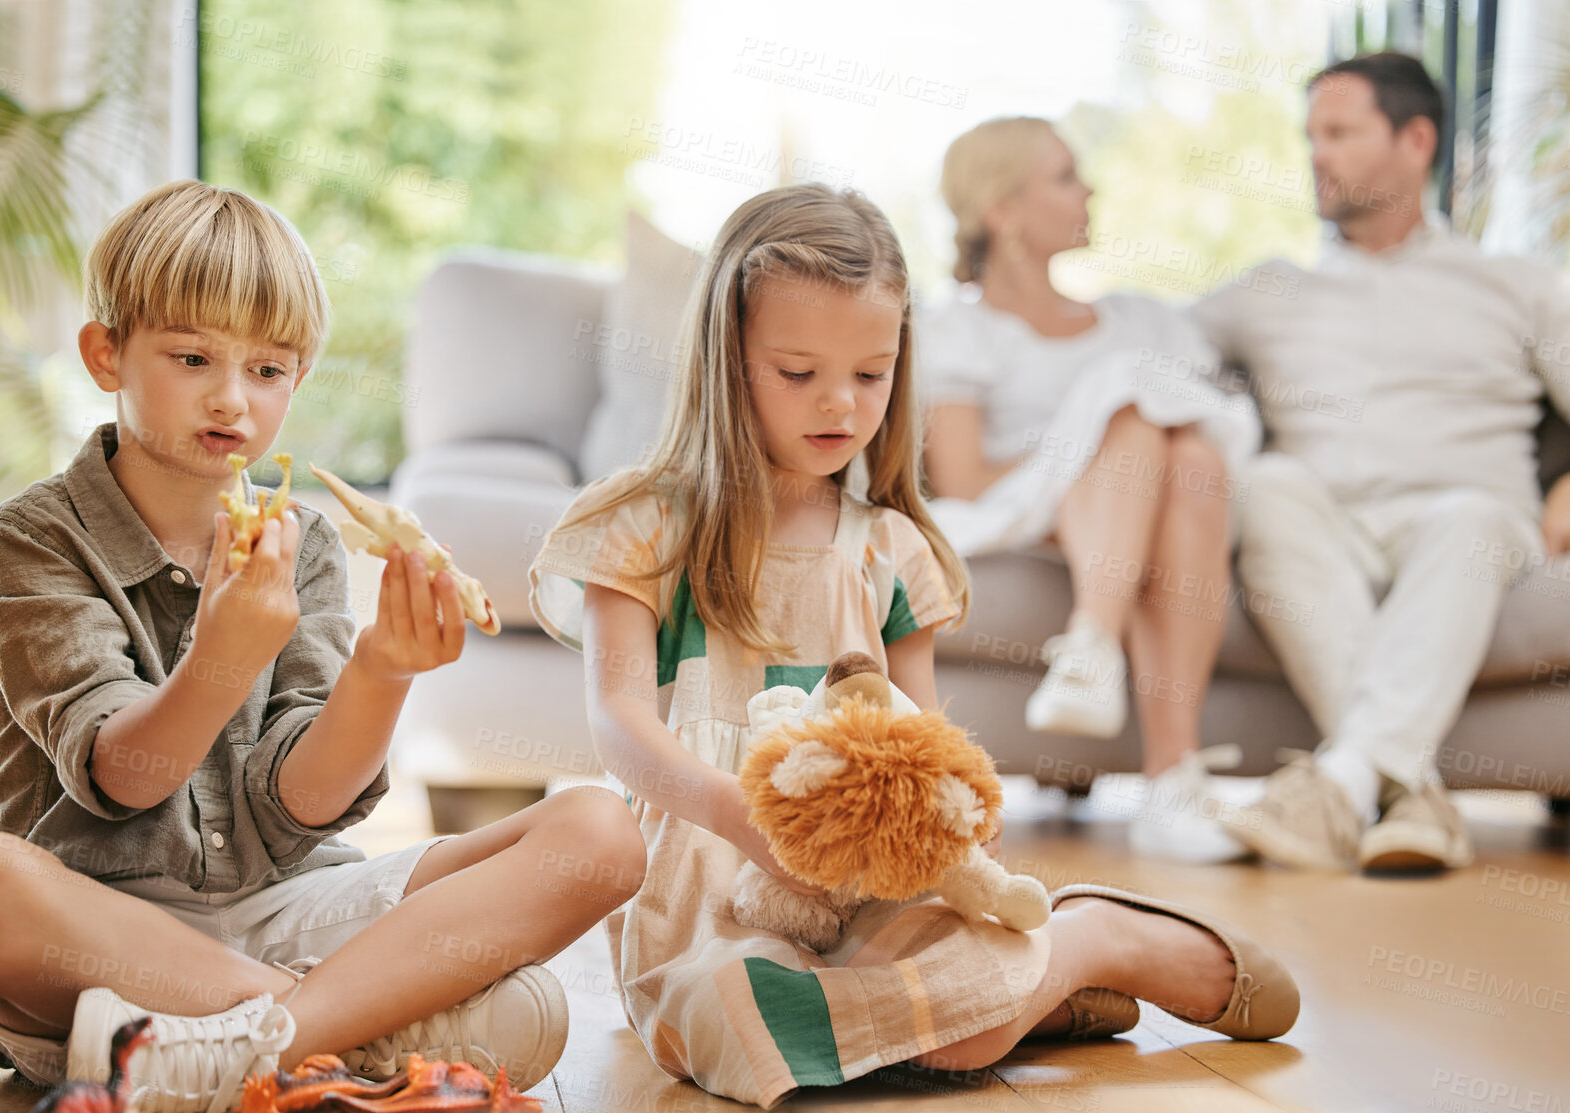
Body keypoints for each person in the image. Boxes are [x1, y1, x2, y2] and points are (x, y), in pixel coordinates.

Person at [528, 183, 1296, 1109]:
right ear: (726, 360)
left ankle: (1092, 939)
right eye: (796, 371)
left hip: (869, 880)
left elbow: (924, 727)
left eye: (871, 372)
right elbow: (616, 720)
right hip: (707, 878)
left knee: (964, 1024)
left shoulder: (891, 547)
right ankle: (1035, 983)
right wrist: (737, 814)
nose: (840, 404)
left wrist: (962, 817)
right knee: (728, 1015)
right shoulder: (645, 522)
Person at [0, 180, 646, 1112]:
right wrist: (222, 653)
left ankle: (223, 1056)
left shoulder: (300, 544)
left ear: (298, 379)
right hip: (111, 933)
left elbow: (302, 805)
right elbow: (125, 776)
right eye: (193, 358)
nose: (233, 398)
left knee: (599, 832)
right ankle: (343, 1038)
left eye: (268, 370)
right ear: (107, 354)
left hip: (289, 911)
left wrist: (383, 670)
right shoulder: (33, 540)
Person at [1193, 53, 1570, 872]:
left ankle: (1341, 781)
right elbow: (1139, 352)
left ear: (1415, 140)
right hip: (1319, 527)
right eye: (1310, 137)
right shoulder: (1268, 289)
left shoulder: (1516, 284)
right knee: (1266, 483)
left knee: (1466, 516)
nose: (1315, 155)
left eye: (1338, 133)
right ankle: (1403, 793)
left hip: (1467, 522)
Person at [915, 118, 1262, 862]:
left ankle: (1095, 656)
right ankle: (1161, 761)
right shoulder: (960, 332)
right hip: (1028, 511)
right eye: (1065, 176)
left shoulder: (1137, 319)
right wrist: (1086, 449)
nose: (1089, 189)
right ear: (1003, 210)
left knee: (1192, 454)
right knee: (1127, 412)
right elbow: (965, 480)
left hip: (1174, 506)